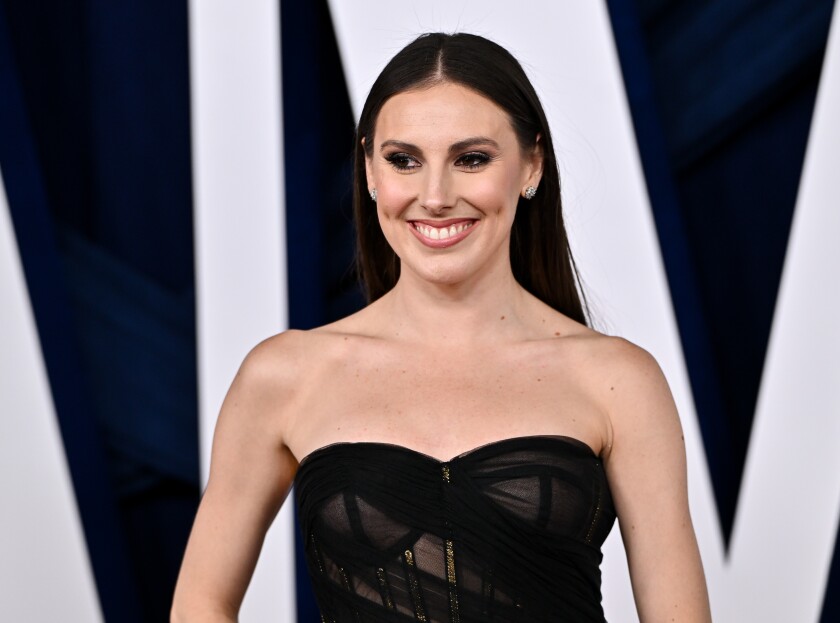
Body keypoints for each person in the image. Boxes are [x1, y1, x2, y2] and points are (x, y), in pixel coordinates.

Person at [171, 32, 711, 622]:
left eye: (471, 159)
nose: (434, 196)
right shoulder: (285, 374)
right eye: (404, 160)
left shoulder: (618, 380)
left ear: (532, 164)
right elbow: (201, 603)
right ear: (371, 171)